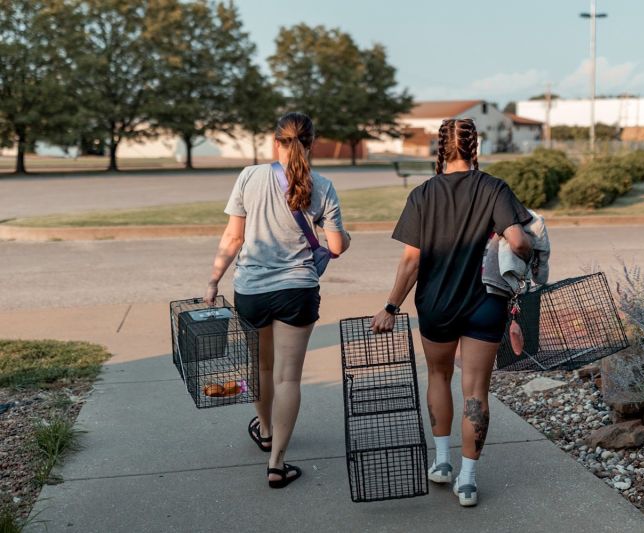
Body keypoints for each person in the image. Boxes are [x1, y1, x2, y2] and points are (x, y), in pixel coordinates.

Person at [371, 118, 532, 507]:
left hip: (436, 304)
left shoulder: (423, 194)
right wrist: (521, 259)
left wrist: (391, 307)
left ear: (439, 150)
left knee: (438, 376)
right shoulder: (494, 188)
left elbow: (411, 261)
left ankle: (442, 463)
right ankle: (468, 481)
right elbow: (519, 240)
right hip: (485, 304)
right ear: (475, 148)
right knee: (476, 390)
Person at [204, 112, 350, 489]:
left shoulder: (249, 177)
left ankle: (265, 429)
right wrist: (344, 236)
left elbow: (232, 239)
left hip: (251, 290)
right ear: (312, 144)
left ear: (276, 142)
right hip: (296, 291)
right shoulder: (323, 186)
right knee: (288, 377)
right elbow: (335, 246)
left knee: (262, 370)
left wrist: (213, 280)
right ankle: (277, 462)